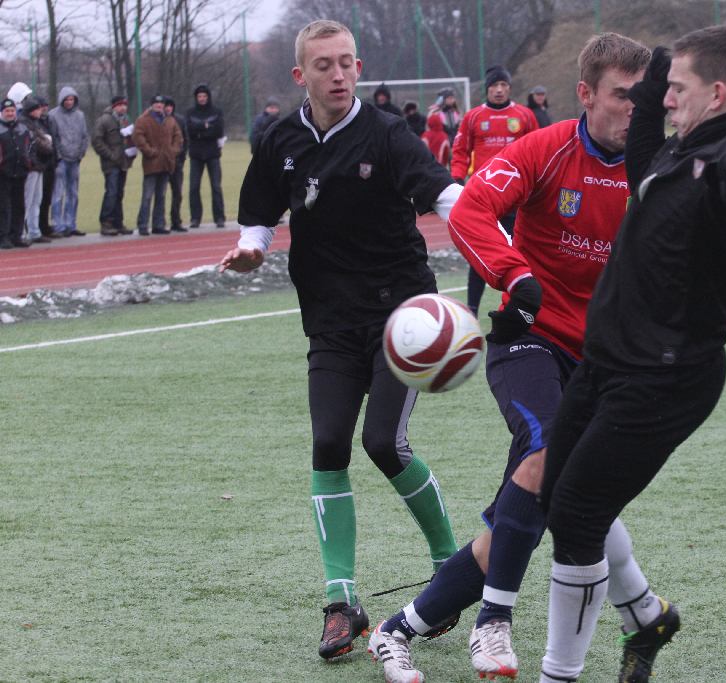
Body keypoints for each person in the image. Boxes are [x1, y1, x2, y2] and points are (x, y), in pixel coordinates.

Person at [368, 32, 658, 683]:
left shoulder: (653, 168)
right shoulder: (547, 148)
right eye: (621, 96)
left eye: (644, 99)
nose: (634, 110)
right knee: (546, 454)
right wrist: (512, 270)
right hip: (528, 341)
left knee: (517, 518)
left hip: (603, 363)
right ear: (585, 95)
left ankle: (397, 629)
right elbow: (471, 208)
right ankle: (493, 620)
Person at [537, 27, 726, 683]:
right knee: (559, 499)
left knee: (579, 514)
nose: (668, 101)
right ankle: (646, 615)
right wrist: (649, 102)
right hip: (608, 362)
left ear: (717, 93)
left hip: (665, 377)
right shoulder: (682, 149)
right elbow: (648, 172)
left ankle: (560, 675)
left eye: (678, 90)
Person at [218, 19, 461, 663]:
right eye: (323, 64)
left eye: (347, 62)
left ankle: (451, 569)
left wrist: (485, 231)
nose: (338, 74)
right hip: (329, 319)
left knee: (383, 441)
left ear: (358, 68)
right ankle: (340, 601)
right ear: (301, 75)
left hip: (401, 317)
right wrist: (249, 249)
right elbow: (259, 216)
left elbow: (443, 192)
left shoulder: (386, 131)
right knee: (329, 443)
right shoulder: (278, 140)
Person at [451, 65, 539, 316]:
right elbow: (460, 151)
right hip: (485, 198)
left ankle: (520, 306)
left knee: (521, 252)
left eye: (503, 86)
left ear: (509, 88)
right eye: (494, 86)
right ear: (487, 89)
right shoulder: (474, 117)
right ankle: (471, 310)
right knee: (480, 253)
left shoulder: (524, 116)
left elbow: (539, 151)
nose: (499, 90)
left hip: (519, 197)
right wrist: (457, 177)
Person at [133, 94, 183, 236]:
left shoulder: (170, 120)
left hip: (166, 163)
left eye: (161, 104)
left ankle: (158, 224)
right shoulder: (143, 120)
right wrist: (149, 151)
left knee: (161, 196)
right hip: (151, 163)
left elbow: (178, 136)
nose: (159, 106)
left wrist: (173, 151)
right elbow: (138, 136)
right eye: (156, 103)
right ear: (152, 105)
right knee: (147, 196)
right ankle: (143, 224)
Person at [92, 94, 137, 236]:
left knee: (119, 193)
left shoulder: (126, 120)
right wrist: (110, 155)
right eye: (120, 105)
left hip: (123, 162)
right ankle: (106, 222)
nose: (123, 107)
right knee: (111, 192)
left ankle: (118, 223)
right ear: (114, 106)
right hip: (110, 163)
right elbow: (97, 141)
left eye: (125, 105)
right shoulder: (104, 120)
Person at [49, 86, 89, 237]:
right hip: (61, 160)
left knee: (73, 193)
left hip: (75, 159)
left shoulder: (80, 116)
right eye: (66, 99)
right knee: (58, 193)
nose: (69, 102)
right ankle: (58, 225)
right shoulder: (53, 115)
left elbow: (84, 136)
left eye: (71, 99)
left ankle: (71, 224)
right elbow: (53, 138)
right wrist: (59, 155)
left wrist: (81, 154)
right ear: (61, 100)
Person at [186, 83, 226, 227]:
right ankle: (195, 218)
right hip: (196, 155)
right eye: (199, 96)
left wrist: (200, 131)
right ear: (196, 98)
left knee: (216, 186)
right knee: (194, 187)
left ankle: (219, 217)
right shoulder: (190, 113)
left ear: (208, 97)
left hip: (213, 154)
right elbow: (189, 131)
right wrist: (206, 127)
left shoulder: (216, 111)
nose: (202, 99)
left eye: (204, 96)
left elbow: (219, 131)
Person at [19, 96, 55, 244]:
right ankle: (21, 232)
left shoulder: (35, 123)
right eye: (38, 108)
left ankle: (34, 231)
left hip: (39, 165)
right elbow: (37, 144)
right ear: (31, 111)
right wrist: (46, 143)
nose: (41, 111)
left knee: (37, 199)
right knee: (27, 200)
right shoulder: (25, 124)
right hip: (31, 166)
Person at [1, 97, 33, 249]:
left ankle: (17, 235)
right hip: (3, 173)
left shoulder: (23, 128)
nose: (10, 113)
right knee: (4, 206)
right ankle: (4, 236)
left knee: (19, 206)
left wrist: (28, 163)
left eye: (12, 110)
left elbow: (29, 147)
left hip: (20, 172)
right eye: (7, 111)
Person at [163, 97, 189, 232]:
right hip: (162, 163)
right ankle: (159, 222)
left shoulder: (179, 120)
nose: (168, 108)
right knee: (161, 193)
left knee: (177, 193)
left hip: (177, 162)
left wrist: (182, 156)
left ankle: (176, 220)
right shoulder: (158, 120)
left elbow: (185, 139)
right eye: (166, 106)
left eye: (170, 106)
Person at [36, 97, 59, 238]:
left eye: (45, 105)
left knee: (47, 197)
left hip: (51, 163)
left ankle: (44, 225)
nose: (43, 108)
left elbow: (56, 139)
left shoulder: (50, 120)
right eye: (41, 106)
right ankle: (37, 226)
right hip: (41, 164)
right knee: (38, 198)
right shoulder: (35, 123)